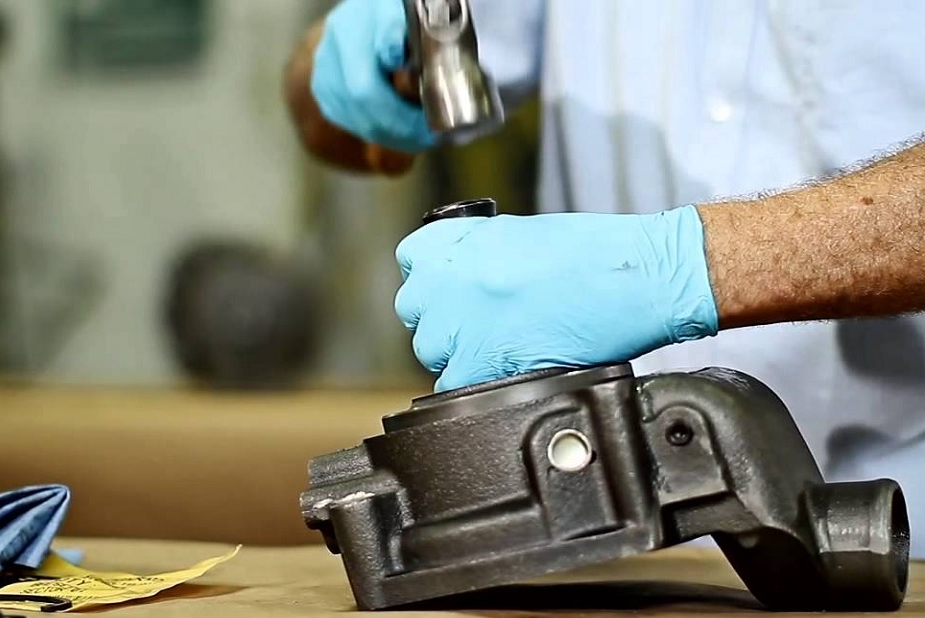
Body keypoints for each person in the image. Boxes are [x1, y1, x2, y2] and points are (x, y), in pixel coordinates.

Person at [284, 0, 925, 552]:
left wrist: (685, 265)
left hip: (902, 521)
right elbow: (329, 116)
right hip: (603, 523)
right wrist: (351, 64)